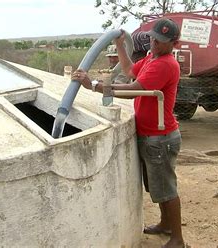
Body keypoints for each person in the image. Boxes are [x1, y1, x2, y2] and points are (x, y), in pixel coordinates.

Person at [72, 18, 185, 248]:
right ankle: (165, 225)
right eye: (153, 37)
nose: (154, 42)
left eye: (161, 41)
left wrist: (93, 85)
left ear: (173, 43)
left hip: (160, 137)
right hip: (152, 135)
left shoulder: (165, 63)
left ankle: (178, 239)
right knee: (158, 186)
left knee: (167, 188)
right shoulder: (153, 58)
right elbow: (128, 70)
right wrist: (122, 45)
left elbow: (135, 90)